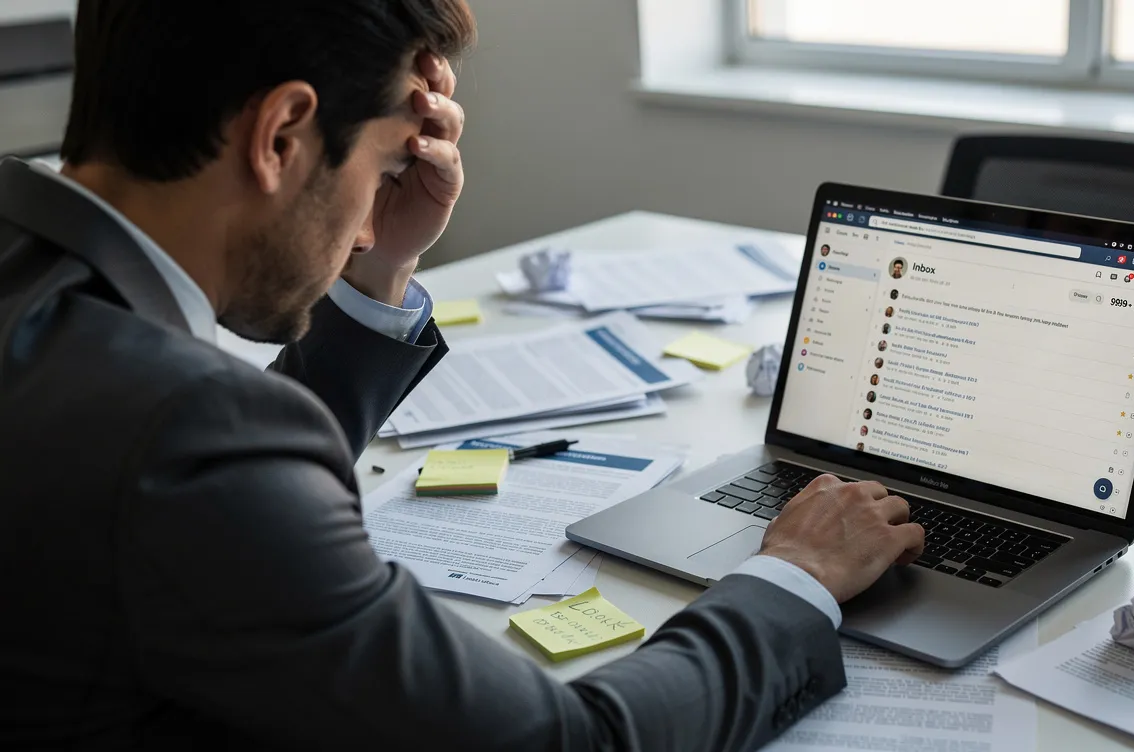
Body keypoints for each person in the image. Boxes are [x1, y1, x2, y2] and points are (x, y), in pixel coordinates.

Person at [0, 2, 926, 750]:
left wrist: (376, 273)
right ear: (281, 133)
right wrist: (791, 577)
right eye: (375, 167)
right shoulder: (188, 437)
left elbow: (184, 486)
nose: (365, 222)